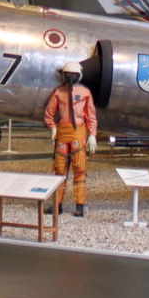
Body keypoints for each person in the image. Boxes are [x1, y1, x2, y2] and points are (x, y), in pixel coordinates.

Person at [42, 60, 98, 217]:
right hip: (63, 132)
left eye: (73, 75)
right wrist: (53, 127)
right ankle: (57, 204)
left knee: (80, 169)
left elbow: (91, 116)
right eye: (68, 75)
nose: (70, 78)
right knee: (59, 170)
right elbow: (49, 113)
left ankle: (80, 205)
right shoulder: (59, 93)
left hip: (78, 132)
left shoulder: (85, 93)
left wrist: (92, 135)